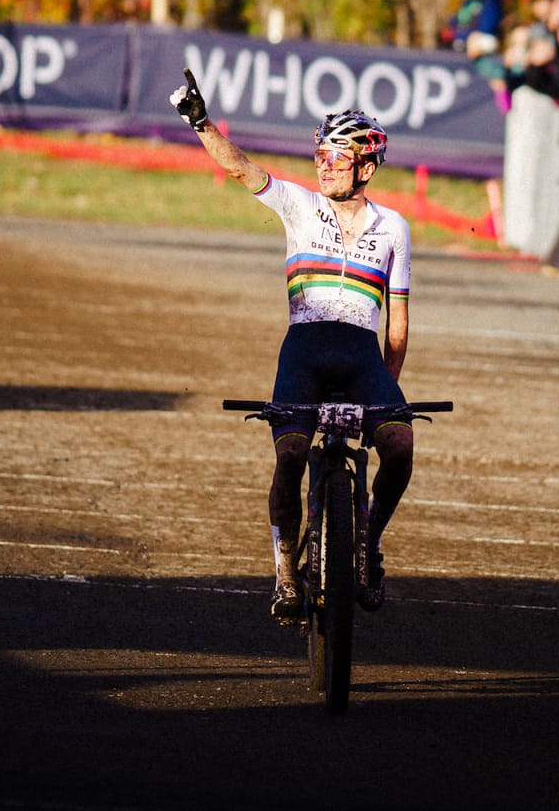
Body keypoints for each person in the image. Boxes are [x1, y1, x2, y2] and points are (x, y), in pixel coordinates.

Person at [169, 73, 415, 620]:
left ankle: (367, 544)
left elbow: (397, 324)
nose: (323, 164)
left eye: (337, 157)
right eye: (320, 155)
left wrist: (388, 394)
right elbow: (242, 169)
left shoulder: (394, 228)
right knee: (290, 456)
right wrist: (200, 122)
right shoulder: (300, 207)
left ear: (366, 168)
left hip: (362, 359)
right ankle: (284, 570)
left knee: (399, 446)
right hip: (304, 350)